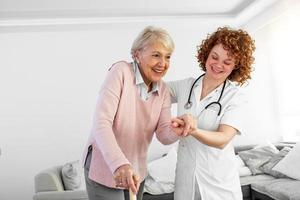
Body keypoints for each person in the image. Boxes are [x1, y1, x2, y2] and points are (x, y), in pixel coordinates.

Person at [81, 26, 178, 200]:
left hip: (136, 169)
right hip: (105, 163)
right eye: (156, 55)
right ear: (137, 55)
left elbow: (164, 135)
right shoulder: (121, 72)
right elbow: (101, 122)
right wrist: (119, 164)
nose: (163, 63)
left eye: (168, 57)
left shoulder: (163, 90)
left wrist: (178, 131)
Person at [168, 26, 255, 200]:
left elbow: (223, 139)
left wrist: (193, 130)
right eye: (214, 57)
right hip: (186, 181)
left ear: (236, 67)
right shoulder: (185, 86)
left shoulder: (235, 97)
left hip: (219, 184)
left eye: (227, 62)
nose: (218, 65)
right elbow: (151, 90)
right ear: (206, 54)